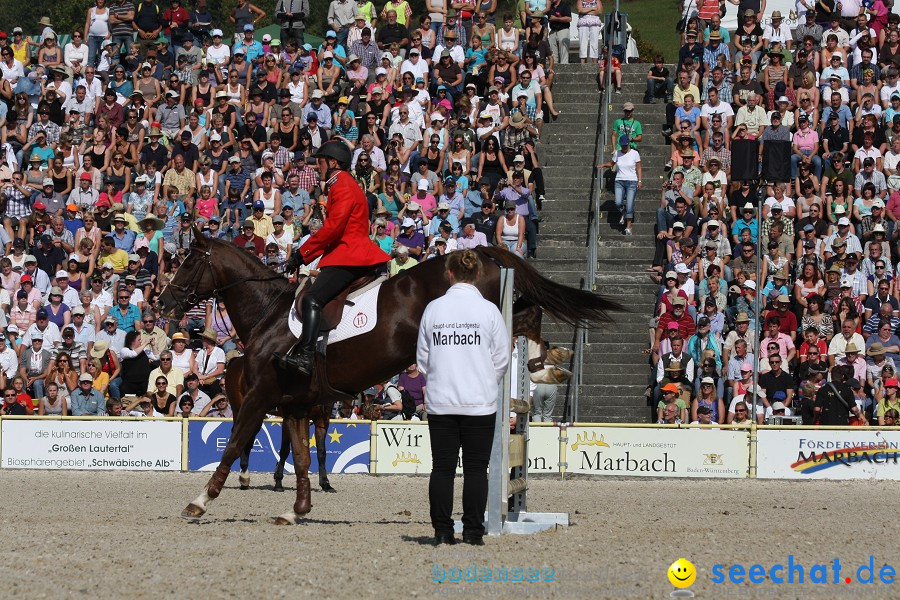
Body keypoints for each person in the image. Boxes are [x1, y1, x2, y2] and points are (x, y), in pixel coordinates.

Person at [416, 249, 509, 546]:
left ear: (449, 273)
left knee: (442, 468)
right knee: (475, 469)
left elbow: (422, 358)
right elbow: (502, 358)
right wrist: (484, 381)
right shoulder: (489, 311)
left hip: (442, 399)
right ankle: (473, 532)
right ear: (478, 274)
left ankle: (442, 530)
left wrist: (442, 377)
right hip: (479, 401)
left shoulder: (433, 309)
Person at [275, 141, 391, 375]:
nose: (317, 167)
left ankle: (306, 358)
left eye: (320, 162)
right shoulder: (339, 184)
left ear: (334, 163)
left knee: (312, 300)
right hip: (346, 252)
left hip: (350, 255)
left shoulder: (342, 185)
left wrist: (302, 254)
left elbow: (333, 228)